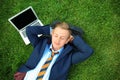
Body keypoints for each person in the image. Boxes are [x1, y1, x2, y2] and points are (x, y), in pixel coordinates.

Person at [14, 22, 93, 80]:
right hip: (26, 77)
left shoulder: (68, 57)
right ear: (52, 34)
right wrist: (51, 30)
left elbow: (88, 51)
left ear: (67, 40)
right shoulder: (40, 44)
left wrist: (73, 38)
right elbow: (29, 30)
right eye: (56, 36)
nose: (57, 40)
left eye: (62, 38)